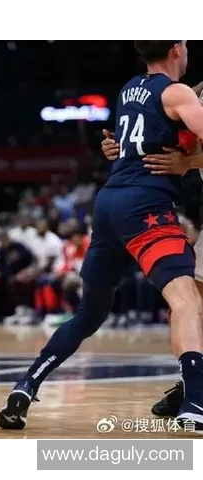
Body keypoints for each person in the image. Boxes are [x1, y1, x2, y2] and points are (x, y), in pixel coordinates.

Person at [0, 41, 203, 432]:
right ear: (177, 48)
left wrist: (119, 148)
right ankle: (195, 402)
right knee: (186, 300)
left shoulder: (129, 89)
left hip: (108, 204)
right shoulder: (177, 93)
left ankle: (26, 385)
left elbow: (132, 141)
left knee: (89, 313)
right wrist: (189, 161)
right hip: (145, 205)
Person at [100, 101, 203, 419]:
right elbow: (167, 139)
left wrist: (188, 162)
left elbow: (186, 156)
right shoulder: (190, 96)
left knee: (188, 304)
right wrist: (123, 146)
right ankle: (196, 385)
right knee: (189, 305)